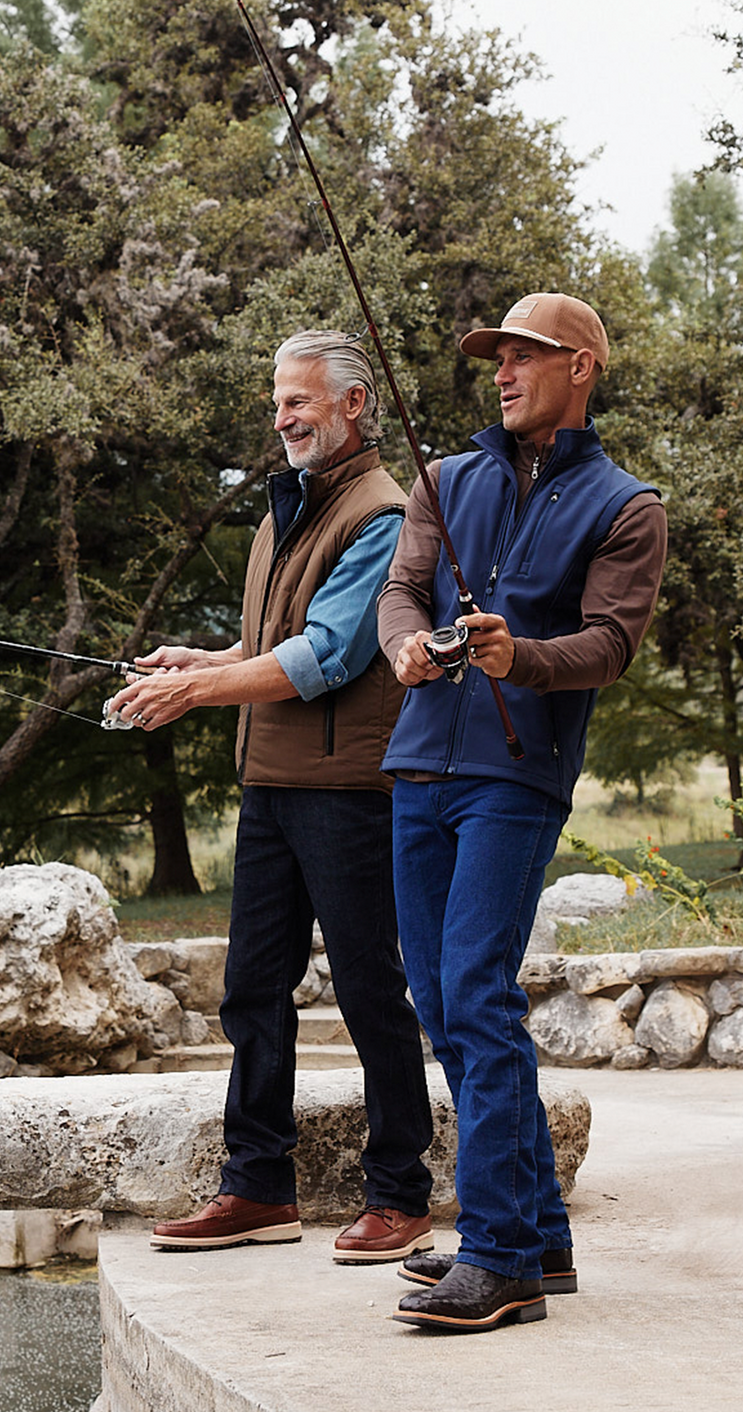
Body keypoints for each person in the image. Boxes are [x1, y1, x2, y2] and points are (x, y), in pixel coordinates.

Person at [106, 330, 434, 1263]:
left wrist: (195, 693)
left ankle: (400, 1194)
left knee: (372, 992)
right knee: (252, 990)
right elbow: (273, 640)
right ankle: (257, 1187)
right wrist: (199, 660)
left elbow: (327, 654)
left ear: (353, 405)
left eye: (299, 401)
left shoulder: (382, 515)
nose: (283, 418)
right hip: (273, 788)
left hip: (349, 795)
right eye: (277, 403)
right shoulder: (280, 514)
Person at [378, 293, 667, 1332]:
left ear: (580, 366)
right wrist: (405, 643)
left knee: (475, 989)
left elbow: (610, 645)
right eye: (494, 357)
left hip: (515, 773)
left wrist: (521, 655)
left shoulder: (628, 505)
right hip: (418, 766)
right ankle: (541, 1231)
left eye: (525, 355)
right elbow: (403, 591)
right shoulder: (443, 480)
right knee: (442, 998)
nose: (501, 370)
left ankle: (500, 1257)